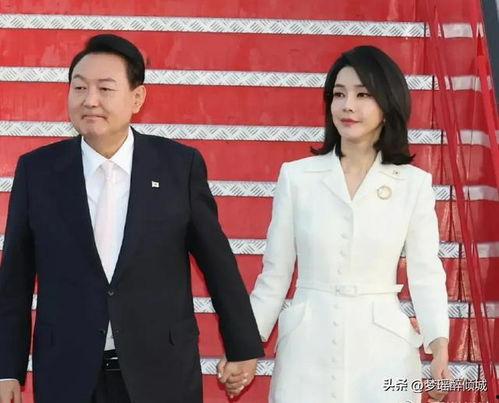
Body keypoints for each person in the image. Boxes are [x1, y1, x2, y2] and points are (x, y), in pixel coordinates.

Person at [0, 34, 263, 403]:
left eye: (105, 88)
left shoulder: (178, 166)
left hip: (162, 372)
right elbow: (14, 280)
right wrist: (6, 369)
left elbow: (217, 263)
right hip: (68, 373)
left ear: (137, 98)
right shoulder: (38, 171)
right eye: (79, 87)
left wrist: (242, 346)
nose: (90, 100)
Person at [223, 46, 451, 402]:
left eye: (363, 95)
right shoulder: (297, 177)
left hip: (384, 354)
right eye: (339, 94)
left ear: (388, 104)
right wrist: (245, 346)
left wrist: (439, 348)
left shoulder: (413, 184)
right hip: (306, 350)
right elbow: (274, 276)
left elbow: (426, 273)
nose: (347, 106)